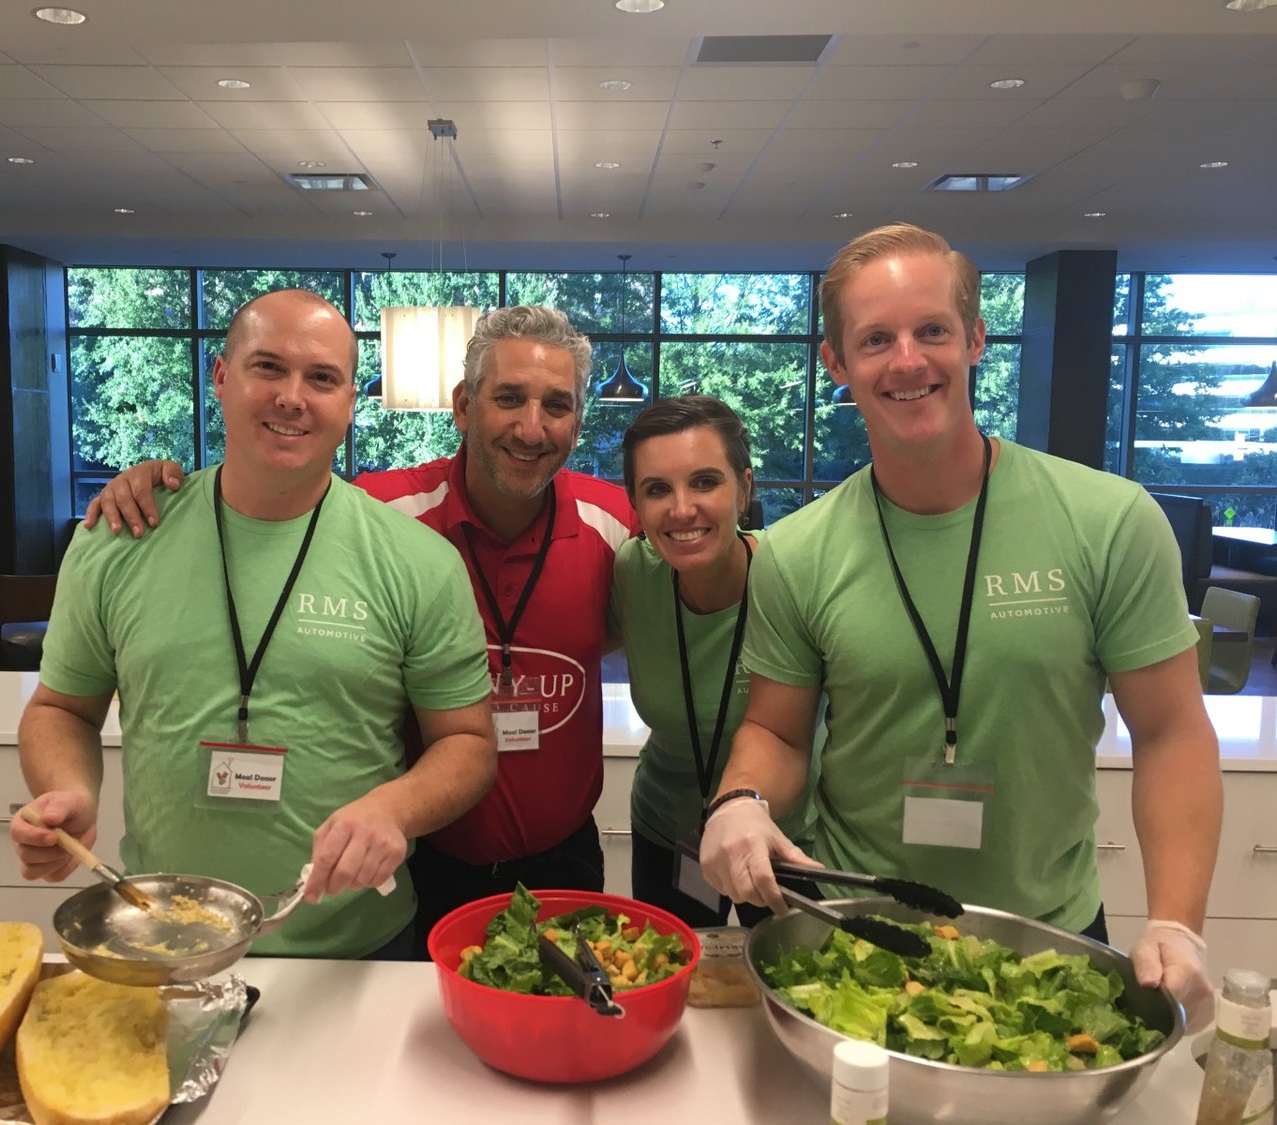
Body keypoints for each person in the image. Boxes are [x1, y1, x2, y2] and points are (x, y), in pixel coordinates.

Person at [698, 222, 1221, 1028]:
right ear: (836, 362)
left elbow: (1172, 731)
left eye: (932, 330)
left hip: (1049, 940)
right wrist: (740, 797)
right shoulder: (797, 551)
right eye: (876, 339)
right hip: (858, 938)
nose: (908, 360)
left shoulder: (1109, 521)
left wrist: (1177, 920)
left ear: (976, 339)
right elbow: (777, 729)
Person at [83, 305, 637, 956]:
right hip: (413, 858)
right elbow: (278, 490)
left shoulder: (615, 525)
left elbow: (685, 585)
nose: (531, 427)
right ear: (463, 406)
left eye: (557, 405)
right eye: (509, 398)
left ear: (578, 421)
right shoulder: (385, 513)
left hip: (561, 857)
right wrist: (152, 482)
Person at [10, 289, 496, 960]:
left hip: (355, 949)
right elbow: (62, 708)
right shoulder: (119, 538)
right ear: (221, 375)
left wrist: (395, 808)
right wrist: (67, 790)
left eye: (322, 377)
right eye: (268, 366)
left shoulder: (418, 561)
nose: (292, 397)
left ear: (349, 401)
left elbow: (467, 742)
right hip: (160, 935)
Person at [612, 395, 821, 928]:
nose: (682, 509)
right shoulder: (633, 573)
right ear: (635, 502)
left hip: (782, 837)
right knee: (671, 970)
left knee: (784, 974)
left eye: (705, 482)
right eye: (657, 489)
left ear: (744, 489)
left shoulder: (793, 579)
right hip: (669, 831)